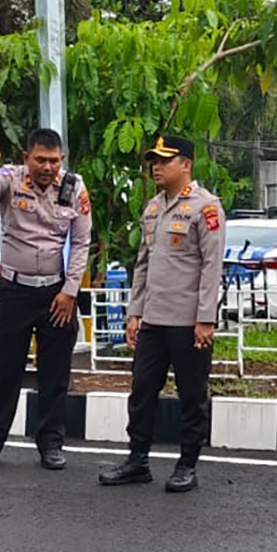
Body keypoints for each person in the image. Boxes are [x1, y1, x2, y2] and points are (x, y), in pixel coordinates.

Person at [99, 134, 225, 493]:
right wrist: (134, 312)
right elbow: (143, 264)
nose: (156, 166)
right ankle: (137, 459)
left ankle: (187, 464)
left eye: (164, 160)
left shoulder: (206, 207)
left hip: (188, 323)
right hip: (153, 320)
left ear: (186, 164)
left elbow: (211, 266)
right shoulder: (152, 208)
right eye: (153, 160)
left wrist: (205, 319)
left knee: (191, 395)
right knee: (141, 391)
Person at [0, 128, 92, 472]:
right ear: (26, 158)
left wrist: (70, 291)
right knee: (5, 371)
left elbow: (81, 243)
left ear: (61, 159)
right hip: (15, 291)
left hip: (56, 295)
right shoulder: (9, 177)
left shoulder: (73, 187)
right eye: (40, 160)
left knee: (55, 374)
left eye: (53, 161)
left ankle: (51, 443)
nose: (47, 167)